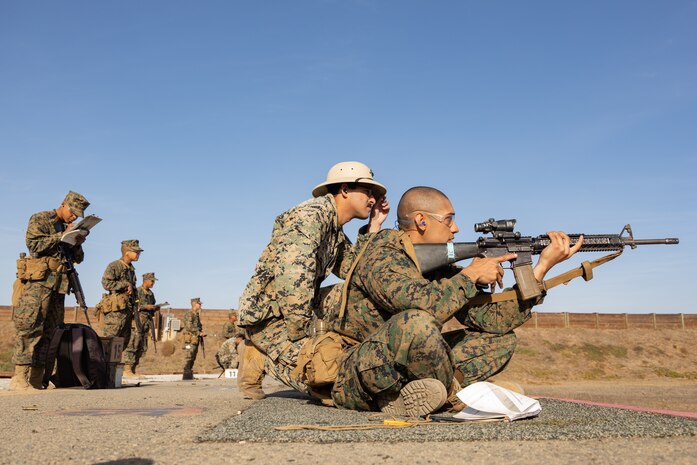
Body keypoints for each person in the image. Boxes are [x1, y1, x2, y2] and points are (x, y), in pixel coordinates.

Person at [326, 186, 584, 416]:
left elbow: (494, 321)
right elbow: (419, 306)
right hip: (363, 371)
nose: (456, 228)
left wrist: (541, 269)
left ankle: (425, 394)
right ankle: (439, 395)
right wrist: (470, 275)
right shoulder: (381, 253)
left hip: (408, 365)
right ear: (421, 221)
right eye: (448, 219)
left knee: (502, 340)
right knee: (417, 321)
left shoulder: (436, 268)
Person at [238, 161, 390, 394]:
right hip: (270, 317)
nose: (372, 200)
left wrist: (373, 228)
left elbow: (355, 271)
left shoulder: (334, 230)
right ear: (345, 190)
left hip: (297, 310)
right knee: (324, 380)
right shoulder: (311, 216)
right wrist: (306, 338)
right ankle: (260, 354)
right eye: (368, 192)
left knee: (355, 293)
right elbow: (293, 279)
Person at [10, 191, 91, 391]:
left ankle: (37, 379)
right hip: (39, 283)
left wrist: (77, 243)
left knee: (50, 332)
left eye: (77, 215)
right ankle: (20, 377)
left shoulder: (68, 227)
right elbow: (34, 244)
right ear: (63, 204)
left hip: (59, 285)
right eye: (72, 211)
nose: (74, 216)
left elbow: (78, 259)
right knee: (30, 327)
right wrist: (61, 236)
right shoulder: (41, 218)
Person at [100, 240, 142, 353]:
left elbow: (133, 288)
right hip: (116, 311)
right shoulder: (115, 265)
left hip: (127, 310)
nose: (139, 254)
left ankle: (113, 367)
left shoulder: (131, 269)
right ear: (127, 252)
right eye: (136, 252)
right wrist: (124, 284)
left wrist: (137, 303)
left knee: (122, 342)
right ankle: (101, 366)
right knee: (109, 340)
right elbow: (106, 283)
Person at [123, 272, 161, 377]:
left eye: (154, 281)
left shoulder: (151, 294)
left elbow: (151, 306)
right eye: (152, 281)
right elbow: (132, 305)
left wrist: (154, 308)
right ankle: (127, 370)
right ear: (145, 281)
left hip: (146, 322)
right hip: (137, 321)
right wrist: (145, 307)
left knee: (142, 346)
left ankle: (133, 369)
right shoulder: (137, 291)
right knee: (133, 344)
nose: (153, 283)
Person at [182, 297, 205, 380]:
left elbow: (198, 326)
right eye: (199, 304)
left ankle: (189, 373)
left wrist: (201, 331)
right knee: (189, 355)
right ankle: (186, 374)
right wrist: (199, 333)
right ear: (195, 304)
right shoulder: (190, 314)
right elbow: (189, 327)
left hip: (195, 338)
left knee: (193, 356)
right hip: (190, 338)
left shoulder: (196, 314)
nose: (200, 305)